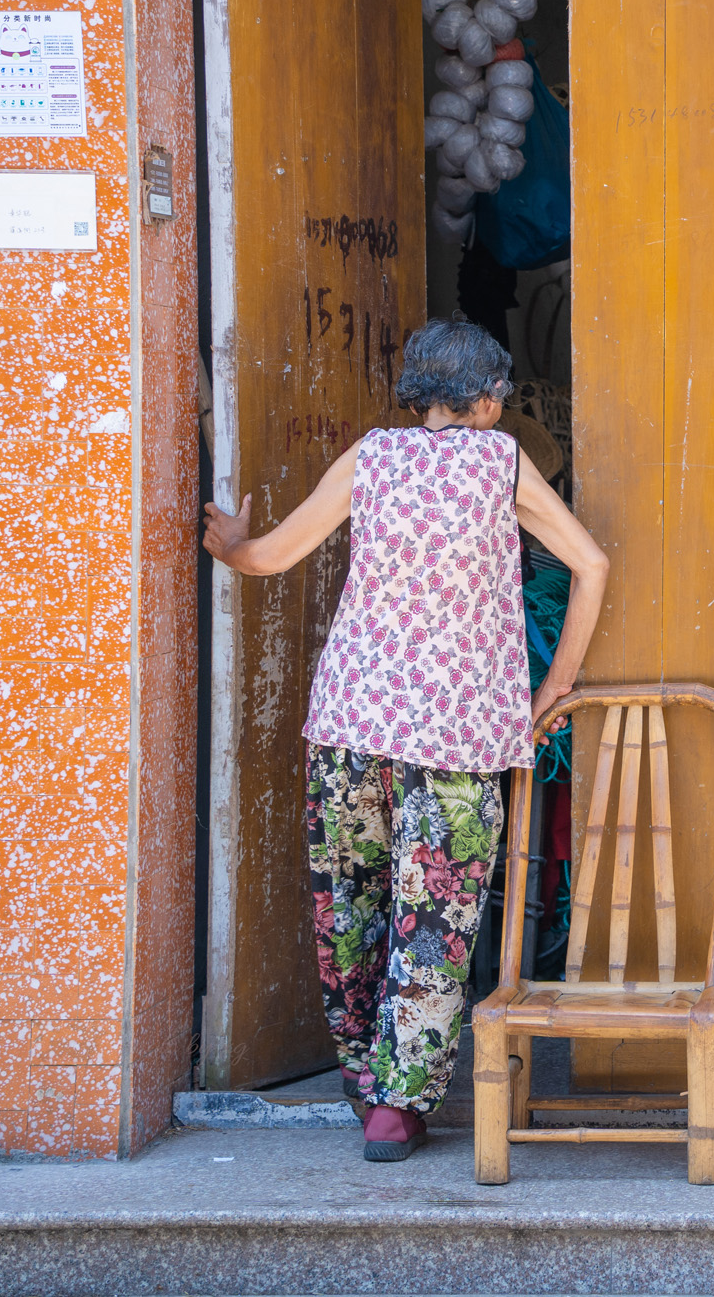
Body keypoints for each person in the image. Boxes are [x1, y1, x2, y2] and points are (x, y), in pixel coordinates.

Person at [202, 318, 608, 1161]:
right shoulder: (500, 461)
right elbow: (591, 564)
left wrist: (230, 542)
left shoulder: (373, 456)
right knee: (434, 921)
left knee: (349, 907)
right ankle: (397, 1107)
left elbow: (268, 558)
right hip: (457, 736)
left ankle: (364, 1081)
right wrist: (555, 685)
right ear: (489, 399)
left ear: (418, 394)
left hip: (351, 723)